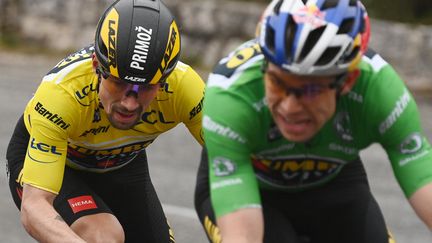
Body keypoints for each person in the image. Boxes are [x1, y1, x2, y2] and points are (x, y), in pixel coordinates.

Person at [194, 0, 432, 242]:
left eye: (309, 90)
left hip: (332, 186)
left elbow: (421, 174)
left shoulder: (379, 92)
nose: (289, 107)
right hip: (253, 187)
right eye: (277, 82)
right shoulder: (232, 94)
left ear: (347, 82)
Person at [6, 0, 205, 242]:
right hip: (60, 163)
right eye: (119, 83)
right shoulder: (62, 94)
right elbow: (34, 207)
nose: (130, 103)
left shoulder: (185, 88)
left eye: (146, 87)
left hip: (120, 163)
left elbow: (238, 158)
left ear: (165, 80)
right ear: (96, 66)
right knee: (102, 235)